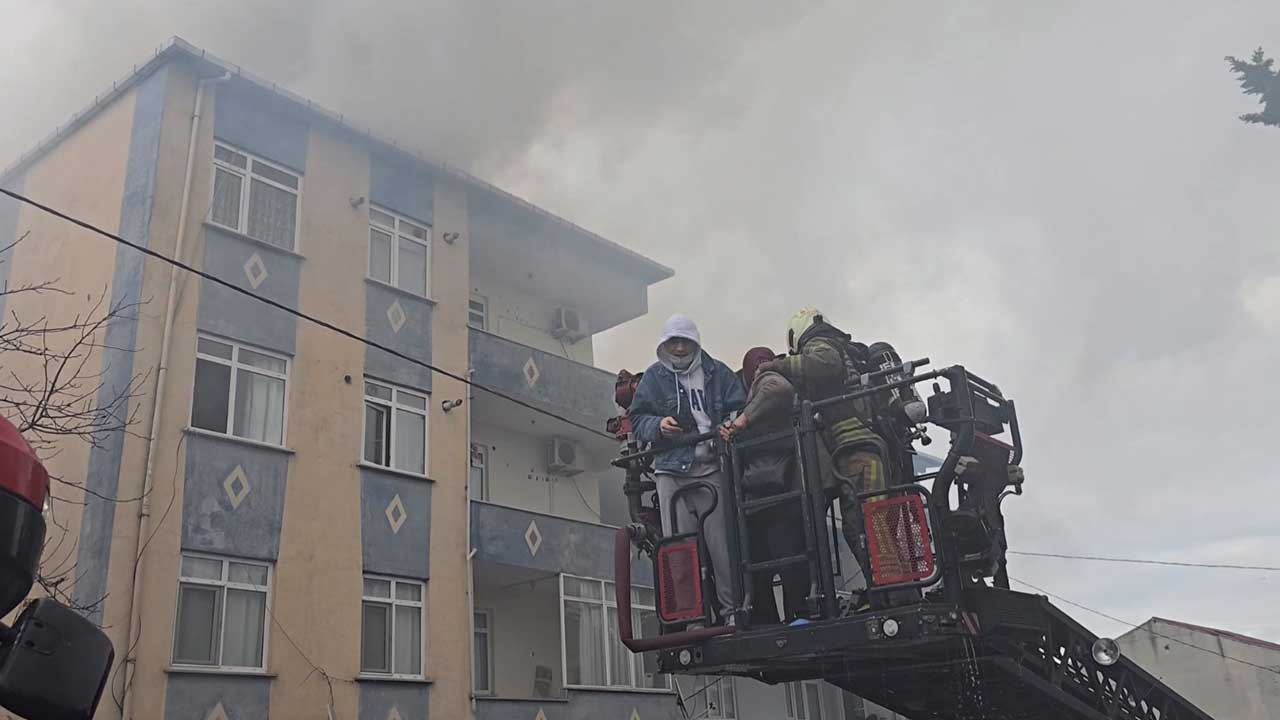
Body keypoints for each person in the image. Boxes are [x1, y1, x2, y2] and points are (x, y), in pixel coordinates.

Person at [758, 308, 901, 608]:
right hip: (854, 449)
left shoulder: (820, 343)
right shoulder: (841, 346)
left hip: (858, 447)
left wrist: (777, 366)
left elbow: (825, 365)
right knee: (862, 525)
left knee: (869, 526)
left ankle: (891, 594)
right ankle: (886, 592)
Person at [628, 314, 746, 625]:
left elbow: (740, 406)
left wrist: (731, 426)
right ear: (664, 345)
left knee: (723, 548)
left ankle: (732, 613)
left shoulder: (717, 371)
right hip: (671, 472)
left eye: (685, 341)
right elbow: (637, 420)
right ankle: (691, 617)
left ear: (695, 342)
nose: (679, 348)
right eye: (673, 341)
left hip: (711, 467)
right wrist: (658, 425)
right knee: (679, 550)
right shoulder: (653, 378)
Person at [721, 347, 812, 624]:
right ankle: (765, 620)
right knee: (756, 565)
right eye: (756, 364)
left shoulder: (769, 379)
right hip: (752, 496)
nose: (761, 367)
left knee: (788, 559)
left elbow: (777, 388)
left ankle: (799, 613)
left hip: (782, 492)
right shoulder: (737, 395)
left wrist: (741, 422)